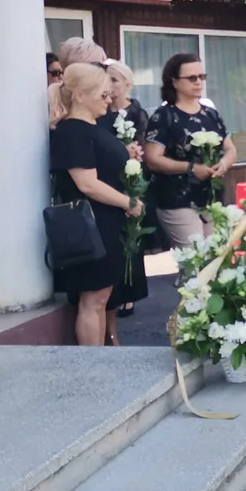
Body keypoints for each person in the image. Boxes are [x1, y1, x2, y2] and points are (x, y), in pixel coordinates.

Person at [49, 63, 144, 346]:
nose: (108, 100)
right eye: (102, 95)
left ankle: (103, 356)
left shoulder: (91, 127)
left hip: (106, 221)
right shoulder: (73, 131)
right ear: (79, 94)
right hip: (91, 224)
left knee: (102, 298)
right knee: (93, 299)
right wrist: (128, 201)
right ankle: (93, 364)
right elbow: (86, 183)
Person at [145, 54, 237, 249]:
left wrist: (224, 164)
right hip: (178, 198)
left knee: (215, 260)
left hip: (211, 196)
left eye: (202, 76)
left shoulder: (210, 113)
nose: (198, 82)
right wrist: (191, 168)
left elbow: (230, 148)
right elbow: (153, 159)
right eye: (192, 78)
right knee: (194, 261)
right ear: (175, 82)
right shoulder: (164, 116)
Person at [97, 60, 150, 318]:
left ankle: (130, 291)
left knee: (132, 236)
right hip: (109, 180)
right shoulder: (101, 113)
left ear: (127, 83)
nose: (111, 86)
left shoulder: (137, 113)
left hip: (132, 177)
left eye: (115, 80)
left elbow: (140, 148)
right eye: (108, 81)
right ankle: (116, 290)